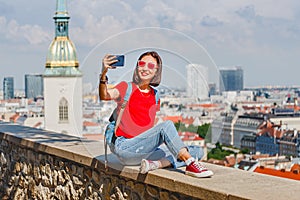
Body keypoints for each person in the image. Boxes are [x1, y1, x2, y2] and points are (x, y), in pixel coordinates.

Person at [99, 51, 213, 178]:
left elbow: (147, 125)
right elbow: (104, 95)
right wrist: (103, 74)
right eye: (141, 64)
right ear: (137, 67)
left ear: (156, 71)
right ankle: (190, 164)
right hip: (125, 147)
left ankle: (155, 164)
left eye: (151, 66)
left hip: (143, 149)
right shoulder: (126, 87)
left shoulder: (155, 95)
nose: (145, 68)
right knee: (167, 126)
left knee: (197, 150)